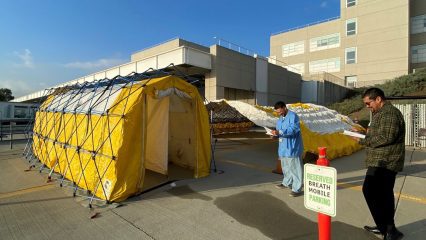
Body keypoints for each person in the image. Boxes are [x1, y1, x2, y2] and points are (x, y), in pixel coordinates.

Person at [351, 88, 405, 240]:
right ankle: (384, 226)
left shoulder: (390, 113)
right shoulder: (379, 114)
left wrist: (362, 140)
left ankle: (389, 229)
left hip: (386, 162)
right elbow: (378, 135)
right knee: (374, 193)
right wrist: (362, 134)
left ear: (379, 99)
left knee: (380, 194)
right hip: (378, 160)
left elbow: (386, 137)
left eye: (369, 103)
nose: (367, 106)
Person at [272, 101, 304, 197]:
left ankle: (297, 188)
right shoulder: (280, 119)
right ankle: (287, 183)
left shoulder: (293, 116)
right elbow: (279, 132)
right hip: (283, 148)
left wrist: (280, 132)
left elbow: (293, 130)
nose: (279, 114)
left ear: (284, 107)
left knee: (295, 168)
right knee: (285, 167)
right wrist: (275, 136)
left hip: (292, 147)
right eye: (277, 113)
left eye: (280, 111)